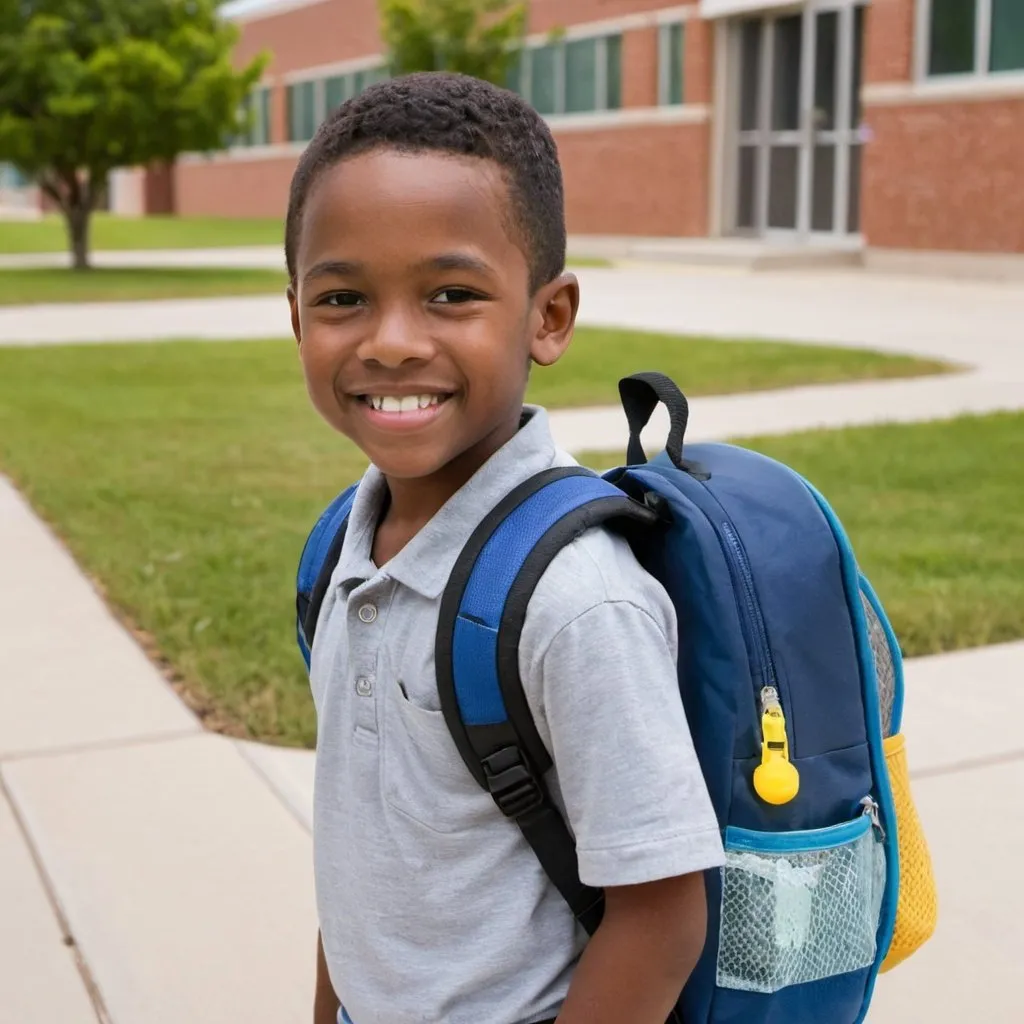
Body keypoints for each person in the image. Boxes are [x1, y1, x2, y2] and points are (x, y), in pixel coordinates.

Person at [286, 71, 724, 1024]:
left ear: (548, 316)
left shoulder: (576, 601)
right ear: (294, 317)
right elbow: (360, 859)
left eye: (450, 294)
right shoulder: (343, 553)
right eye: (342, 298)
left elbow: (662, 916)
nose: (392, 342)